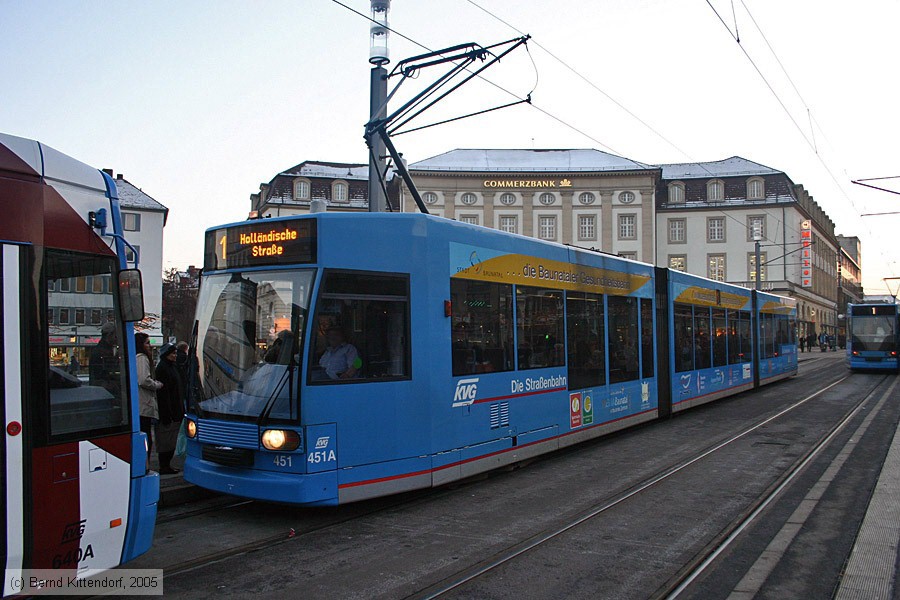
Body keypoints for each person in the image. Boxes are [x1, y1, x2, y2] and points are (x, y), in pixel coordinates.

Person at [154, 343, 184, 474]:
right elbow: (164, 393)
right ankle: (164, 465)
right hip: (169, 410)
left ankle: (166, 465)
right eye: (172, 353)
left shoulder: (171, 367)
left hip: (174, 408)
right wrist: (167, 413)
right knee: (166, 440)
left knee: (171, 439)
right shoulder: (163, 368)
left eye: (175, 353)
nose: (175, 356)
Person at [135, 333, 162, 454]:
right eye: (147, 343)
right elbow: (143, 379)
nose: (150, 346)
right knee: (146, 438)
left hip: (141, 404)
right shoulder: (142, 358)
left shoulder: (136, 357)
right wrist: (157, 385)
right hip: (144, 404)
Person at [89, 322, 120, 394]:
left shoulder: (100, 350)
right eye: (115, 336)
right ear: (109, 335)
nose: (117, 338)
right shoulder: (103, 352)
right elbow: (103, 375)